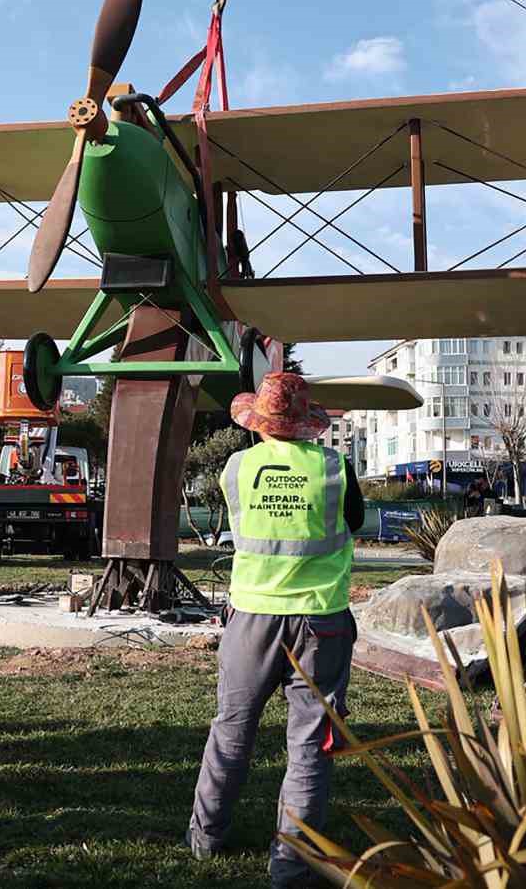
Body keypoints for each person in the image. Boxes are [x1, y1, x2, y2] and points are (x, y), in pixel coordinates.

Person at [187, 372, 365, 889]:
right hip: (320, 622)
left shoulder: (237, 467)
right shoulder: (334, 468)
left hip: (250, 618)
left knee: (231, 729)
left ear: (258, 422)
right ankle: (292, 863)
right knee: (310, 743)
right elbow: (353, 522)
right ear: (307, 423)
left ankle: (205, 837)